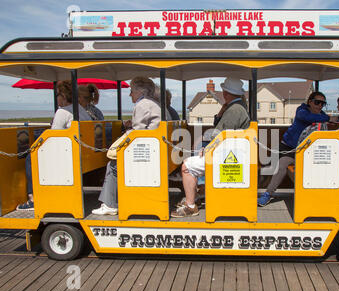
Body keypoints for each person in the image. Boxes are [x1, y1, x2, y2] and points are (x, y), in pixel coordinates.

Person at [171, 77, 250, 218]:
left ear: (226, 93)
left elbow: (218, 135)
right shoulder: (237, 107)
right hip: (233, 152)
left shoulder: (234, 110)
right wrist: (221, 111)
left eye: (224, 91)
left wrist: (208, 149)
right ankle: (197, 195)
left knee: (187, 167)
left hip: (228, 156)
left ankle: (190, 206)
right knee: (197, 154)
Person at [16, 80, 91, 210]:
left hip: (69, 155)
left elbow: (53, 137)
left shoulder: (62, 112)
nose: (57, 98)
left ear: (63, 96)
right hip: (84, 154)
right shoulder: (80, 110)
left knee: (31, 158)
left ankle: (33, 198)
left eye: (57, 95)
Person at [92, 77, 161, 215]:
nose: (130, 94)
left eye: (132, 91)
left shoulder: (142, 105)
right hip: (154, 148)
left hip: (149, 151)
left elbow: (137, 134)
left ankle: (109, 204)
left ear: (140, 91)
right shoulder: (153, 103)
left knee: (113, 165)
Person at [257, 91, 330, 207]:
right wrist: (326, 117)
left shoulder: (321, 116)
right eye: (317, 102)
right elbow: (309, 117)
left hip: (308, 152)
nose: (320, 106)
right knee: (281, 166)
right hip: (290, 149)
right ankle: (267, 194)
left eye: (323, 103)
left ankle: (314, 196)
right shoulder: (302, 111)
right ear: (310, 102)